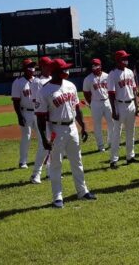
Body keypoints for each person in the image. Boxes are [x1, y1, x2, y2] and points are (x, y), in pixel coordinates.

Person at [35, 59, 96, 208]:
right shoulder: (44, 90)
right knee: (56, 164)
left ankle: (82, 191)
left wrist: (83, 126)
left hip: (72, 127)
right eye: (63, 69)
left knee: (77, 160)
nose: (66, 71)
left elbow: (77, 108)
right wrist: (44, 138)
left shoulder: (71, 86)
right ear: (55, 72)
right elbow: (40, 118)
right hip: (56, 129)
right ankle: (57, 197)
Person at [107, 50, 139, 168]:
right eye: (123, 58)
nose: (126, 60)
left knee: (131, 132)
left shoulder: (130, 72)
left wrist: (137, 107)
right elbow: (111, 94)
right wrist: (113, 110)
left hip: (131, 103)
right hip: (119, 105)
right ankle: (114, 160)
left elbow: (134, 90)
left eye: (126, 58)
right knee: (117, 134)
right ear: (117, 60)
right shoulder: (113, 74)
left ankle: (130, 156)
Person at [11, 59, 42, 170]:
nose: (32, 69)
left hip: (37, 112)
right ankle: (22, 161)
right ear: (24, 69)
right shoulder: (18, 82)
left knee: (42, 136)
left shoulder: (37, 81)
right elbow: (16, 101)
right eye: (29, 66)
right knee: (26, 137)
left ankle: (41, 159)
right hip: (25, 112)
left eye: (33, 66)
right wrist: (19, 116)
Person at [29, 56, 53, 184]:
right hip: (41, 116)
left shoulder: (52, 79)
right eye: (48, 65)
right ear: (42, 67)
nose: (50, 67)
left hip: (52, 116)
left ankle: (50, 172)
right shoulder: (36, 82)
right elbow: (35, 101)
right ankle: (35, 174)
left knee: (52, 145)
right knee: (44, 146)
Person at [82, 58, 114, 152]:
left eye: (96, 65)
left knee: (111, 123)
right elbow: (86, 93)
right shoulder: (88, 79)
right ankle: (100, 146)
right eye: (93, 65)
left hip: (107, 101)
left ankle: (111, 142)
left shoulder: (107, 76)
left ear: (100, 65)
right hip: (95, 102)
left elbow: (111, 90)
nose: (94, 67)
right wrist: (91, 103)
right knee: (97, 125)